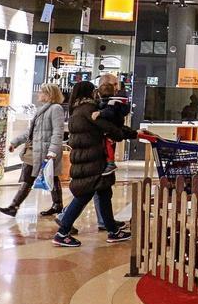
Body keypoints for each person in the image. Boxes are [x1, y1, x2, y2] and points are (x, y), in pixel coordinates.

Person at [52, 81, 138, 247]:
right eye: (94, 91)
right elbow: (110, 128)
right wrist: (131, 134)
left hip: (85, 158)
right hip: (94, 159)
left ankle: (113, 231)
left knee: (104, 194)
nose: (96, 93)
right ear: (90, 93)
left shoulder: (76, 110)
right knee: (84, 195)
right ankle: (62, 232)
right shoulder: (90, 110)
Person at [0, 83, 66, 218]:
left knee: (47, 177)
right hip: (35, 151)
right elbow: (31, 132)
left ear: (49, 95)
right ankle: (15, 206)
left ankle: (15, 206)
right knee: (35, 177)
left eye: (42, 92)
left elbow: (58, 132)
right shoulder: (41, 110)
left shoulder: (55, 109)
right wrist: (15, 142)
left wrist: (52, 151)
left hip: (45, 152)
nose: (39, 94)